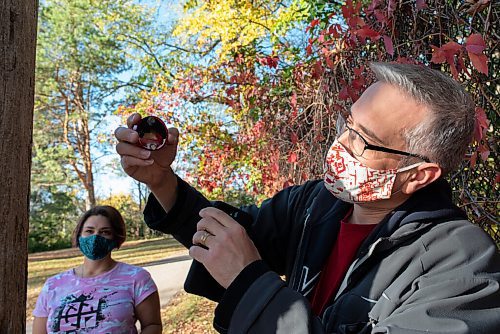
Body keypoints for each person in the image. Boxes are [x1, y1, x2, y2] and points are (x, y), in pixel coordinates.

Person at [115, 63, 500, 333]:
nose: (339, 144)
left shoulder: (461, 265)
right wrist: (161, 181)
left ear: (419, 175)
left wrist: (250, 283)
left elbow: (243, 267)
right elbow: (233, 236)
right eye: (346, 124)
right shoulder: (316, 203)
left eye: (362, 140)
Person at [32, 206, 162, 334]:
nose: (95, 237)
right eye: (89, 231)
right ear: (79, 235)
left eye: (105, 232)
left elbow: (152, 325)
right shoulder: (52, 286)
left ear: (116, 238)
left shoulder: (137, 278)